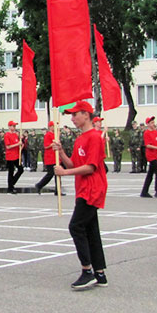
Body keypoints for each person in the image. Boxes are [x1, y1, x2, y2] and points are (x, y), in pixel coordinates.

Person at [52, 102, 108, 290]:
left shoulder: (94, 138)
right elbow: (73, 165)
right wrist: (60, 152)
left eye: (75, 114)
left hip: (92, 189)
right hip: (83, 189)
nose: (73, 118)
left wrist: (64, 174)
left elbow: (90, 167)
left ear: (86, 115)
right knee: (91, 230)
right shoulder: (80, 139)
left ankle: (87, 270)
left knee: (76, 226)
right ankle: (99, 272)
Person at [140, 116, 157, 198]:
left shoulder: (156, 132)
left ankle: (144, 191)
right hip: (152, 156)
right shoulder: (147, 133)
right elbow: (148, 145)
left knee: (150, 174)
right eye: (151, 122)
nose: (153, 124)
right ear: (148, 124)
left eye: (153, 122)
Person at [34, 122, 58, 194]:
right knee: (50, 174)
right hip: (50, 157)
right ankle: (39, 185)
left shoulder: (55, 134)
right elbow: (46, 146)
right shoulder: (48, 135)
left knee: (57, 174)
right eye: (53, 126)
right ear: (50, 127)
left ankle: (57, 190)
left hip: (55, 156)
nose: (55, 127)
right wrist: (53, 144)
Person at [4, 121, 23, 193]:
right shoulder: (7, 135)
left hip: (16, 155)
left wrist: (20, 143)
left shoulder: (15, 135)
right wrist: (18, 144)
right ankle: (10, 188)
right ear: (9, 127)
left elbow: (19, 144)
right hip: (10, 156)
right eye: (13, 126)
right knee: (11, 172)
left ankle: (12, 183)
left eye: (15, 126)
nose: (14, 127)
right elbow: (8, 146)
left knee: (21, 169)